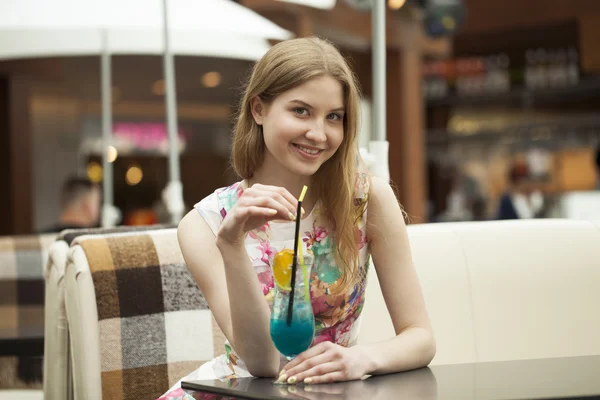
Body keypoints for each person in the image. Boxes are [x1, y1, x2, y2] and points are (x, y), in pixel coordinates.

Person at [161, 37, 435, 398]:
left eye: (333, 117)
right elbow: (261, 362)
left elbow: (420, 337)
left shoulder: (366, 200)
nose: (318, 134)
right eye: (301, 111)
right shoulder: (207, 224)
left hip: (334, 389)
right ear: (259, 109)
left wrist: (362, 359)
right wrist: (231, 244)